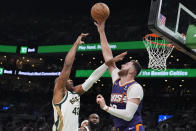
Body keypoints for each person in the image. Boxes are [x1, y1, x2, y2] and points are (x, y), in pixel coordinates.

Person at [52, 33, 127, 131]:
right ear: (60, 83)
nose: (70, 79)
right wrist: (76, 45)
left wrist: (107, 64)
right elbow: (67, 65)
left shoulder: (75, 92)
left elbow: (92, 79)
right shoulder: (59, 94)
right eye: (67, 79)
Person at [94, 21, 145, 131]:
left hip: (133, 128)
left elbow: (128, 115)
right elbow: (108, 58)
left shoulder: (135, 88)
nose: (122, 64)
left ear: (131, 71)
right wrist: (101, 32)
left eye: (126, 64)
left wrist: (105, 107)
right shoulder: (117, 79)